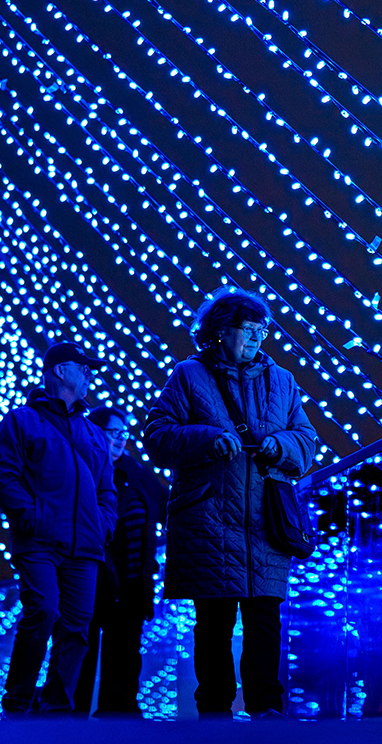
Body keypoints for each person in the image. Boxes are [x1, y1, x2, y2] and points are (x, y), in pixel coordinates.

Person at [144, 287, 318, 719]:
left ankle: (266, 709)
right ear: (221, 330)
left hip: (266, 522)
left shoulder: (283, 380)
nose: (259, 337)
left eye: (264, 329)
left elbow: (308, 441)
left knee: (264, 622)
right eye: (250, 329)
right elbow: (157, 439)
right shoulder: (187, 375)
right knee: (214, 624)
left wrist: (280, 446)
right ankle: (214, 715)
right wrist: (206, 440)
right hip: (209, 521)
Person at [0, 339, 118, 717]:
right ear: (61, 370)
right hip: (40, 542)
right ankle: (17, 701)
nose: (90, 374)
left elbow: (107, 489)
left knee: (77, 627)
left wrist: (103, 525)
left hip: (86, 547)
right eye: (84, 367)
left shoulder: (93, 432)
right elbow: (2, 477)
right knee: (42, 610)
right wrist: (31, 517)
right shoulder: (21, 421)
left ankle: (56, 709)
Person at [73, 405, 167, 717]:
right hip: (89, 583)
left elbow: (171, 507)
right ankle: (67, 728)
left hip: (131, 588)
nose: (121, 439)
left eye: (124, 434)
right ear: (95, 433)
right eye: (114, 433)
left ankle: (118, 724)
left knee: (124, 665)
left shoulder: (138, 475)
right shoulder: (79, 469)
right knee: (78, 659)